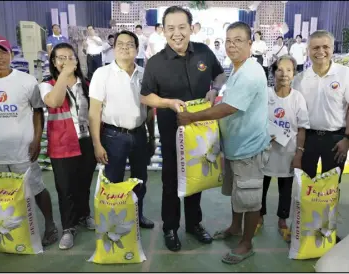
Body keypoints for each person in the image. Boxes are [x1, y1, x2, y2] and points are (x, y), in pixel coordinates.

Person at [178, 21, 270, 264]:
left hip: (248, 149)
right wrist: (213, 94)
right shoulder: (238, 69)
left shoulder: (250, 72)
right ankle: (234, 228)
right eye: (229, 40)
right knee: (237, 193)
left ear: (250, 44)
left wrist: (191, 117)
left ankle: (246, 243)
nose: (232, 45)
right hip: (235, 147)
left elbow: (228, 109)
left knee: (249, 199)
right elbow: (227, 99)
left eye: (238, 40)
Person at [140, 6, 227, 252]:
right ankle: (170, 227)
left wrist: (214, 89)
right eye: (171, 28)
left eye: (181, 27)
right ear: (163, 31)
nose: (176, 33)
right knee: (171, 180)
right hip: (172, 132)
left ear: (191, 28)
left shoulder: (204, 52)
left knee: (196, 178)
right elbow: (146, 96)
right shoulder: (156, 63)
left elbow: (220, 75)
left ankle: (194, 224)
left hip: (201, 131)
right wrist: (168, 103)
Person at [0, 35, 58, 249]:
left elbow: (38, 112)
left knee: (36, 189)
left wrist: (36, 140)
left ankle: (51, 227)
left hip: (22, 151)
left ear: (11, 54)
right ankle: (0, 231)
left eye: (3, 51)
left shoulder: (26, 81)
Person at [292, 30, 349, 241]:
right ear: (308, 51)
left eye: (325, 47)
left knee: (331, 188)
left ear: (332, 49)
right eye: (315, 47)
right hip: (309, 139)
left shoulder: (345, 75)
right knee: (306, 186)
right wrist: (299, 148)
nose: (320, 52)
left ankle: (327, 231)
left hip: (336, 140)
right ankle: (304, 231)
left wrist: (347, 139)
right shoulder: (300, 79)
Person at [88, 30, 155, 229]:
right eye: (120, 44)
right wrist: (97, 144)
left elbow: (149, 109)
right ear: (113, 48)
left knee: (139, 179)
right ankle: (113, 221)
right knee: (113, 181)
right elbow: (94, 112)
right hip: (113, 136)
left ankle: (137, 215)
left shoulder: (144, 75)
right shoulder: (102, 74)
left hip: (140, 134)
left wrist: (151, 137)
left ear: (137, 49)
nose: (125, 47)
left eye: (130, 44)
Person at [38, 43, 97, 250]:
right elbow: (54, 101)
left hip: (86, 142)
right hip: (61, 144)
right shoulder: (47, 84)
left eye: (69, 57)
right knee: (65, 188)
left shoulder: (88, 85)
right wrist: (63, 74)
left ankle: (84, 215)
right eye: (60, 58)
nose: (65, 61)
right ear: (54, 62)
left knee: (83, 184)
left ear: (77, 60)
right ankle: (68, 228)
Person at [258, 55, 310, 242]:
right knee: (261, 187)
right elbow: (256, 120)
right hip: (265, 152)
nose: (284, 74)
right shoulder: (265, 94)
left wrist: (299, 153)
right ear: (273, 73)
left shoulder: (298, 98)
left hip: (287, 154)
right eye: (279, 69)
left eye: (289, 70)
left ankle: (282, 221)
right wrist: (264, 133)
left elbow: (302, 128)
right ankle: (259, 217)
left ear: (294, 73)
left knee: (285, 189)